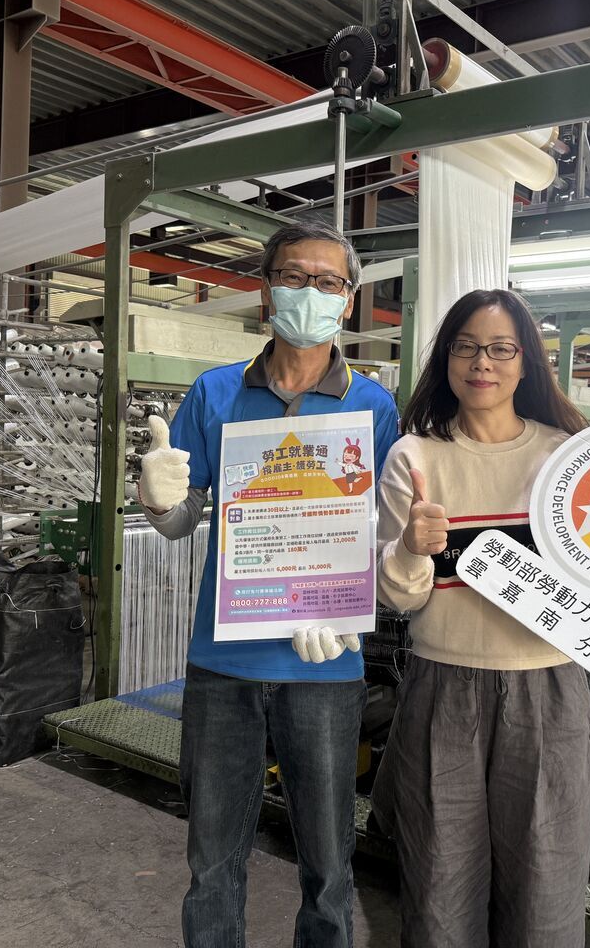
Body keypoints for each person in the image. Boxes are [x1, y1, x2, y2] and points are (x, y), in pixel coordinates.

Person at [372, 288, 590, 948]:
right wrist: (410, 548)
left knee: (545, 894)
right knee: (438, 894)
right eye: (466, 347)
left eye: (500, 349)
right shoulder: (414, 458)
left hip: (552, 691)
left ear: (526, 363)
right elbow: (400, 599)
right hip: (442, 689)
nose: (482, 362)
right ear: (446, 359)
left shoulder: (568, 456)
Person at [138, 222, 399, 948]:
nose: (309, 292)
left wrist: (358, 606)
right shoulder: (215, 392)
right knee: (212, 861)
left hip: (326, 665)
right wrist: (156, 500)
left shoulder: (373, 407)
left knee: (329, 866)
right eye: (293, 276)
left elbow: (383, 533)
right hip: (224, 662)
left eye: (327, 281)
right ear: (266, 290)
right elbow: (181, 518)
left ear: (347, 300)